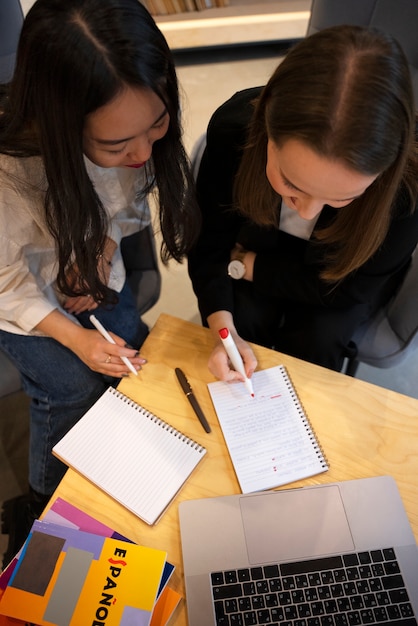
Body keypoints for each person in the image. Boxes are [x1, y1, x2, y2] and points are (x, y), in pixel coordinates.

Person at [0, 0, 199, 564]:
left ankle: (120, 471)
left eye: (157, 125)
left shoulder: (134, 138)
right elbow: (4, 281)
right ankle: (43, 500)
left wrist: (101, 246)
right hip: (15, 293)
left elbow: (127, 204)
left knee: (132, 360)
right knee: (70, 385)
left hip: (85, 265)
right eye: (116, 146)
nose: (143, 154)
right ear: (62, 125)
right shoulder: (9, 174)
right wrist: (74, 336)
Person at [188, 25, 418, 386]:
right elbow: (209, 242)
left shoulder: (408, 184)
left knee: (320, 340)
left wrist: (247, 265)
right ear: (266, 132)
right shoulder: (235, 131)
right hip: (261, 245)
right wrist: (223, 329)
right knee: (244, 319)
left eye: (343, 197)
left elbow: (353, 290)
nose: (309, 212)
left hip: (341, 275)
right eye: (292, 185)